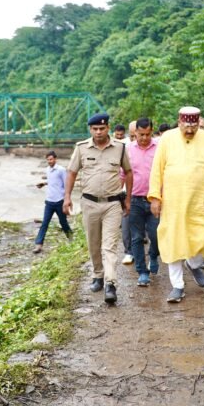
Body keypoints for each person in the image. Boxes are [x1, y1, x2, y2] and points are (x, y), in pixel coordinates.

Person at [149, 106, 204, 302]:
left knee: (203, 236)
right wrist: (155, 197)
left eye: (194, 126)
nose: (190, 130)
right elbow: (157, 169)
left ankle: (193, 264)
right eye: (186, 126)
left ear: (198, 123)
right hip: (173, 202)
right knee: (173, 240)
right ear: (179, 122)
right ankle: (177, 286)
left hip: (198, 201)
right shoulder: (167, 138)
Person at [64, 113, 132, 304]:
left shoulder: (119, 148)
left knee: (109, 246)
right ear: (90, 129)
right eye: (95, 129)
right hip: (89, 203)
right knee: (93, 243)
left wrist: (128, 198)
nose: (99, 132)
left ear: (108, 128)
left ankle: (111, 284)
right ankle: (98, 275)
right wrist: (67, 197)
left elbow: (128, 172)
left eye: (102, 128)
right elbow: (71, 172)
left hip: (112, 204)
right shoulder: (81, 148)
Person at [128, 117, 160, 286]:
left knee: (156, 234)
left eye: (148, 134)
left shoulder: (159, 148)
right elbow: (122, 174)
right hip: (135, 200)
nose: (144, 138)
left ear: (151, 132)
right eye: (141, 134)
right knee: (137, 237)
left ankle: (154, 255)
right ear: (135, 133)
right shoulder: (128, 149)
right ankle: (142, 271)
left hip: (155, 199)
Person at [33, 150, 73, 253]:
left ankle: (71, 239)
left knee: (63, 222)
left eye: (51, 159)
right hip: (49, 201)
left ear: (55, 159)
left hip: (59, 201)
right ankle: (39, 245)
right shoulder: (47, 170)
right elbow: (52, 181)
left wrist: (67, 199)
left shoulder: (61, 170)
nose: (49, 161)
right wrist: (44, 183)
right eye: (48, 160)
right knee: (44, 223)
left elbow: (66, 184)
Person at [120, 119, 139, 265]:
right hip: (128, 192)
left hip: (144, 193)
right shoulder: (125, 148)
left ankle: (150, 254)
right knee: (126, 223)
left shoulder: (153, 147)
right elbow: (121, 173)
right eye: (131, 136)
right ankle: (128, 252)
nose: (133, 139)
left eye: (135, 135)